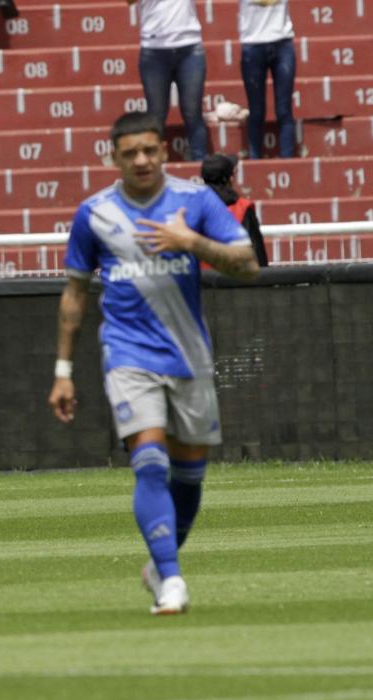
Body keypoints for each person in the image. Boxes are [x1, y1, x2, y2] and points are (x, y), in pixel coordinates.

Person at [49, 112, 259, 616]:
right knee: (149, 461)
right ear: (114, 157)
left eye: (149, 150)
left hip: (188, 355)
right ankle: (172, 581)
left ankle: (159, 564)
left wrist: (192, 244)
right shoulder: (94, 214)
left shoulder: (195, 201)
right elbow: (75, 293)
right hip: (127, 354)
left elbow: (248, 264)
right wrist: (62, 370)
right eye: (130, 153)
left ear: (163, 151)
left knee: (189, 478)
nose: (141, 160)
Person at [130, 0, 209, 161]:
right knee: (156, 115)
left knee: (193, 112)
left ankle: (199, 164)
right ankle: (153, 163)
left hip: (189, 44)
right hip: (154, 47)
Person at [239, 0, 296, 158]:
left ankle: (288, 161)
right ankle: (255, 161)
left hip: (282, 40)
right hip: (252, 43)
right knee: (256, 111)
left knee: (284, 110)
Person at [202, 154, 268, 266]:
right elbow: (257, 252)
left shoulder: (191, 208)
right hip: (235, 279)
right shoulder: (242, 208)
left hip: (202, 281)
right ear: (229, 178)